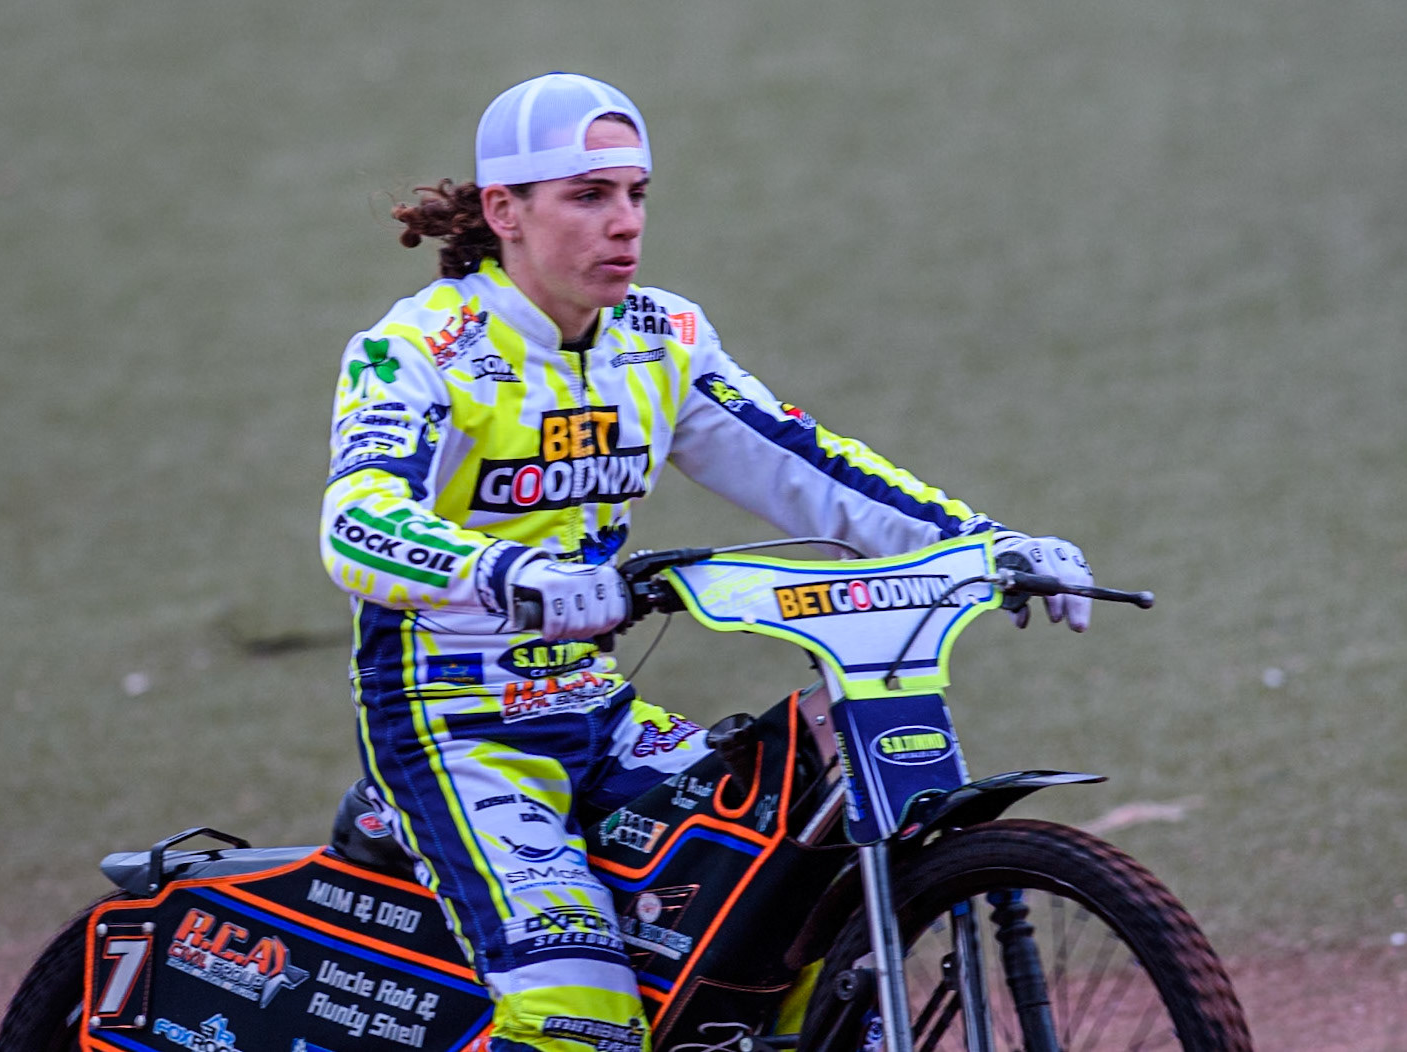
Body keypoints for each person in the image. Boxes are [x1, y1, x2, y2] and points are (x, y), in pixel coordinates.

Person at [320, 72, 1093, 1052]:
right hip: (453, 725)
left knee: (791, 889)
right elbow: (356, 522)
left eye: (637, 194)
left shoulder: (664, 338)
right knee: (581, 1019)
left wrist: (988, 544)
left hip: (593, 711)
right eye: (589, 195)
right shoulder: (417, 347)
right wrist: (510, 577)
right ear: (503, 210)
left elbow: (809, 468)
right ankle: (401, 821)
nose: (625, 223)